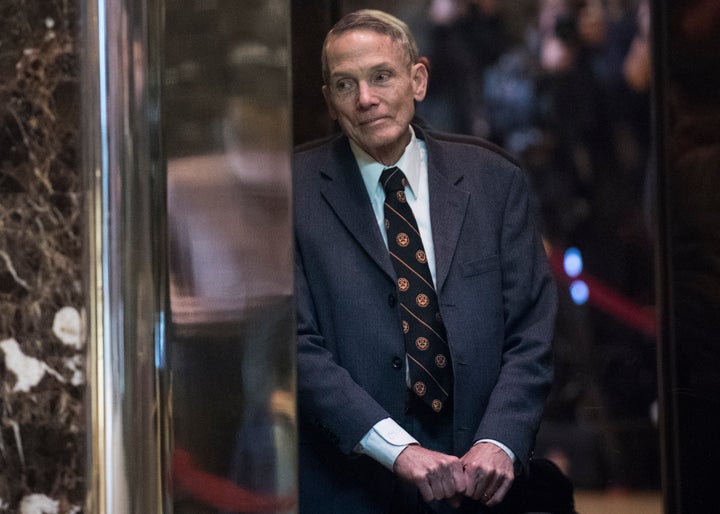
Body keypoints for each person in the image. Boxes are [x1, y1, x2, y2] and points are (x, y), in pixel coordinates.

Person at [294, 9, 558, 513]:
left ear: (418, 79)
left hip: (483, 485)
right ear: (329, 101)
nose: (366, 99)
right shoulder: (293, 194)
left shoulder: (493, 181)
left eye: (381, 76)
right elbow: (295, 347)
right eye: (345, 85)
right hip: (350, 484)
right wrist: (399, 451)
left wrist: (499, 441)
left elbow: (531, 330)